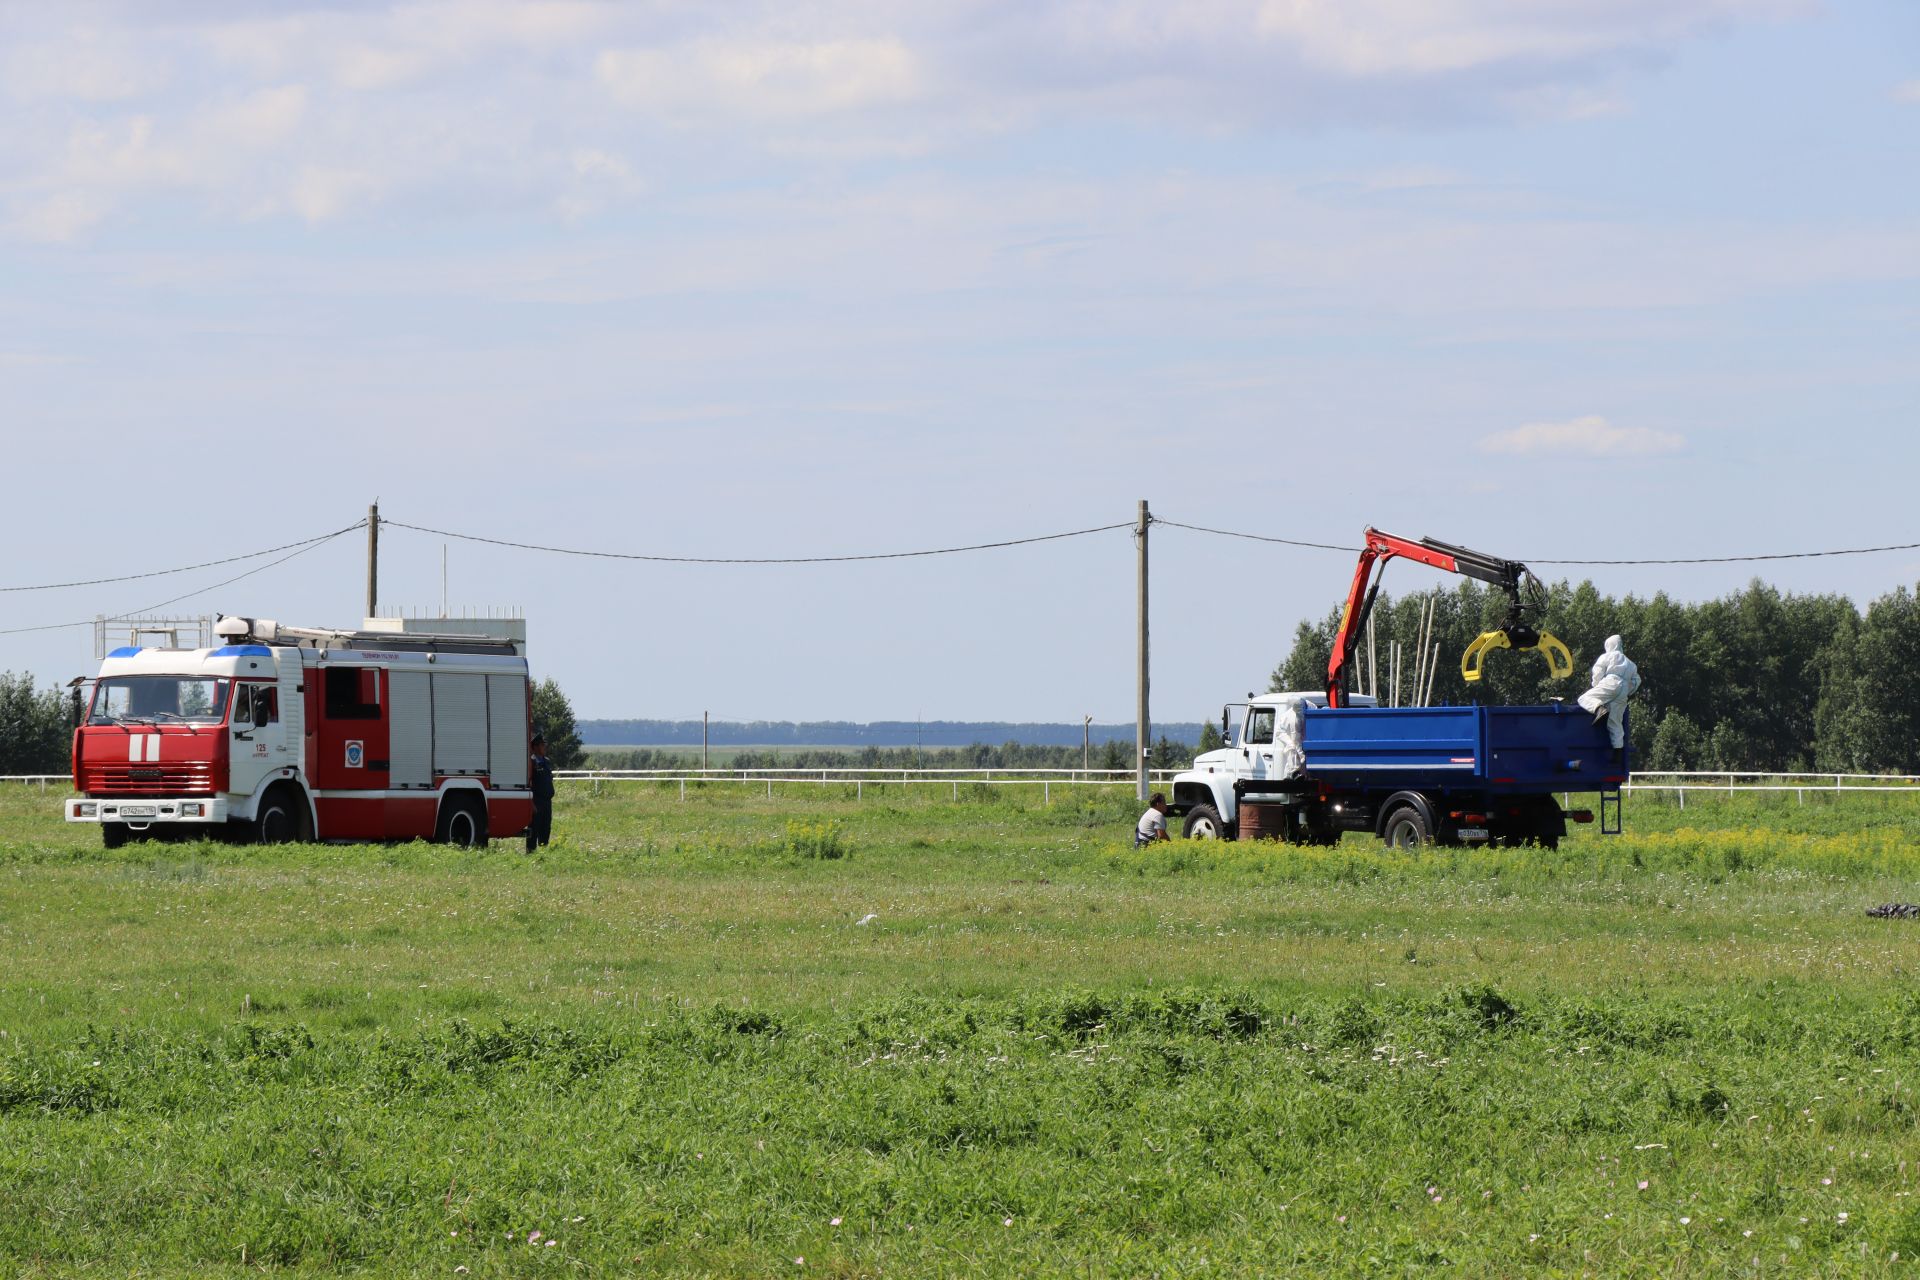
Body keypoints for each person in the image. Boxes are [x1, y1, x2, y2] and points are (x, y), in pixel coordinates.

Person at [1578, 634, 1641, 755]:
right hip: (1623, 691)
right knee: (1615, 722)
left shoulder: (1607, 656)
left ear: (1609, 645)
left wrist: (1596, 686)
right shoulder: (1631, 663)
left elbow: (1598, 671)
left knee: (1584, 698)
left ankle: (1599, 709)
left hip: (1610, 682)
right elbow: (1637, 681)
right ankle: (1618, 753)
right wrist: (1627, 690)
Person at [526, 733, 554, 852]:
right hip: (537, 801)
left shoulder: (546, 761)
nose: (544, 747)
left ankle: (543, 853)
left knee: (546, 827)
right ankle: (530, 851)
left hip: (547, 801)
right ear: (536, 747)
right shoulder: (531, 763)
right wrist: (531, 803)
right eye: (542, 745)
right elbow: (528, 783)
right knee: (534, 827)